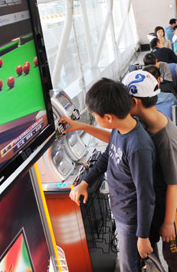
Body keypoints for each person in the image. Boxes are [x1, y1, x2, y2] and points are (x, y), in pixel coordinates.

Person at [67, 78, 156, 271]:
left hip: (131, 220)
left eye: (94, 115)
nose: (93, 118)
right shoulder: (120, 128)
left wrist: (142, 236)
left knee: (128, 266)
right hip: (122, 210)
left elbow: (146, 196)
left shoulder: (138, 147)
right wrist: (85, 182)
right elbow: (107, 156)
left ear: (108, 117)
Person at [122, 71, 177, 271]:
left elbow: (174, 184)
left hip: (175, 206)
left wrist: (169, 222)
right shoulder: (147, 120)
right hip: (159, 200)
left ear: (134, 102)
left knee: (174, 253)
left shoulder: (167, 139)